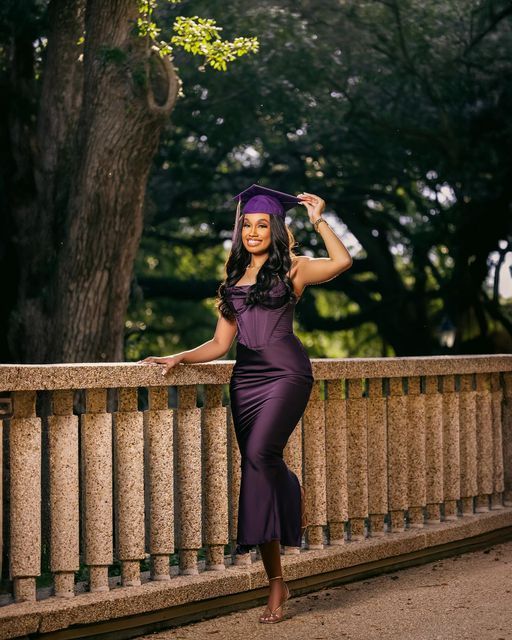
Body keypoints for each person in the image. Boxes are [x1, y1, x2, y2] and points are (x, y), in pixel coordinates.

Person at [137, 184, 353, 623]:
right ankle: (276, 580)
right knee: (256, 469)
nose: (253, 232)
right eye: (247, 225)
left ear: (275, 230)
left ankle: (290, 490)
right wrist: (181, 356)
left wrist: (318, 220)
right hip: (247, 381)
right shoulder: (233, 281)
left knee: (259, 456)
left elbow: (343, 262)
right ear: (240, 232)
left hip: (288, 374)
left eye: (262, 225)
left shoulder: (295, 268)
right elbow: (220, 343)